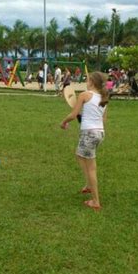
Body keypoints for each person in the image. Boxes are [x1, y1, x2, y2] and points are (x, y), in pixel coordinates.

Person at [60, 72, 109, 211]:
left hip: (89, 133)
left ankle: (95, 201)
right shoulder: (104, 97)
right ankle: (88, 185)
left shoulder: (84, 95)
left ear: (92, 82)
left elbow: (73, 114)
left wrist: (63, 122)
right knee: (80, 155)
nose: (86, 82)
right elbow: (102, 119)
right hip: (99, 133)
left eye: (87, 80)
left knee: (91, 167)